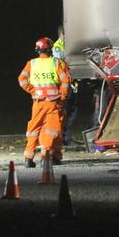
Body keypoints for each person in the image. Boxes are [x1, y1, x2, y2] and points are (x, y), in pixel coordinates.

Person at [18, 37, 71, 168]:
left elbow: (22, 79)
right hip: (53, 102)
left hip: (38, 102)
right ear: (50, 49)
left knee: (34, 129)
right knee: (51, 130)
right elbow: (65, 81)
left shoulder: (32, 63)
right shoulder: (56, 63)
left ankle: (28, 158)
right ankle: (45, 156)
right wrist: (63, 96)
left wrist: (32, 91)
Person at [52, 33, 78, 147]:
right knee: (65, 111)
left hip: (70, 82)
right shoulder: (58, 47)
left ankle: (66, 137)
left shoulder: (67, 45)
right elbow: (60, 66)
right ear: (62, 34)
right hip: (64, 84)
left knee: (72, 110)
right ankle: (62, 138)